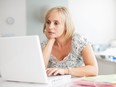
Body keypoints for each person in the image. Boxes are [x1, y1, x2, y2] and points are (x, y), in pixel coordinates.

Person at [41, 6, 98, 77]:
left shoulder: (78, 40)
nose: (50, 27)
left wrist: (66, 71)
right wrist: (51, 40)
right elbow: (40, 71)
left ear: (66, 26)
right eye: (48, 22)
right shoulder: (44, 45)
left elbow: (94, 70)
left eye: (56, 23)